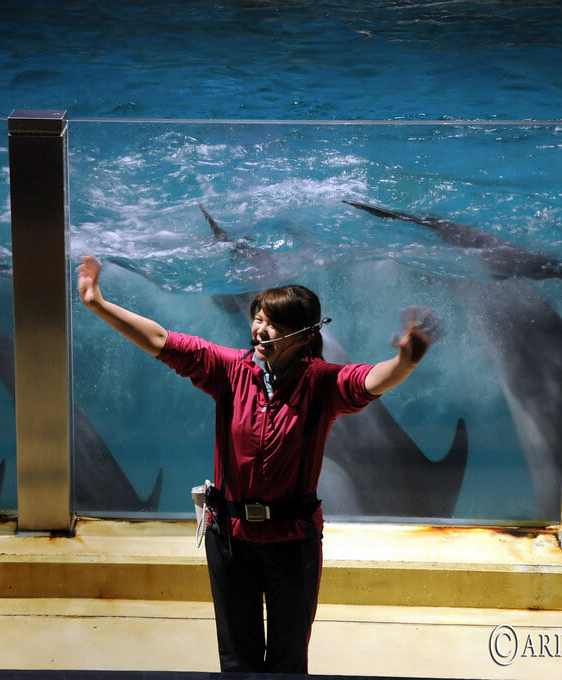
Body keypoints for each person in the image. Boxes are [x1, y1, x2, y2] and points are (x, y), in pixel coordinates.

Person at [76, 254, 433, 674]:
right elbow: (160, 340)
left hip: (291, 543)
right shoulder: (229, 370)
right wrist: (97, 302)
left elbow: (370, 380)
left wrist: (405, 363)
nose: (260, 330)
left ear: (303, 336)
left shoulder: (320, 384)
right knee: (237, 661)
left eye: (273, 323)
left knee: (287, 661)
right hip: (229, 540)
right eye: (258, 318)